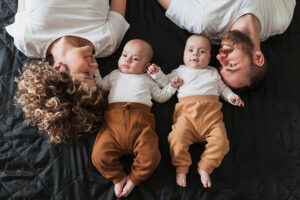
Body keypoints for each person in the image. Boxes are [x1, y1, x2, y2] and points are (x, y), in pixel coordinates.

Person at [9, 0, 130, 143]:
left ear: (58, 69)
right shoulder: (109, 41)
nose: (95, 65)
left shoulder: (27, 40)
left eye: (86, 74)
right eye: (94, 75)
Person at [148, 34, 244, 188]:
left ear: (209, 56)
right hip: (186, 119)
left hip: (211, 120)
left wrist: (232, 96)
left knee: (222, 143)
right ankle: (181, 167)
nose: (195, 54)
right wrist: (156, 73)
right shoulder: (180, 71)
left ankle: (205, 167)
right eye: (190, 50)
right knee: (176, 140)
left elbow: (223, 89)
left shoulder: (213, 72)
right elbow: (165, 81)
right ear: (184, 53)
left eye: (201, 52)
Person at [91, 39, 181, 197]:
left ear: (146, 65)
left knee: (151, 157)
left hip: (141, 129)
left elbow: (161, 97)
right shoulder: (114, 75)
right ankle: (118, 178)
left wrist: (172, 87)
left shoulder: (147, 79)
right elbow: (100, 86)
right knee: (99, 155)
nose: (127, 60)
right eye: (125, 55)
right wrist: (95, 70)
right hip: (113, 127)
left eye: (135, 59)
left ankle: (133, 179)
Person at [156, 0, 296, 89]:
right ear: (258, 57)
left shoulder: (202, 22)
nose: (219, 57)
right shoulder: (281, 20)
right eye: (232, 65)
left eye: (221, 65)